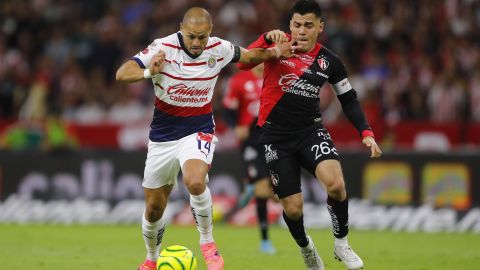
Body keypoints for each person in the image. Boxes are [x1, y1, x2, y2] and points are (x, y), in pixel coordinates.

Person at [115, 7, 295, 270]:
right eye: (192, 37)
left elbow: (249, 57)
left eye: (202, 37)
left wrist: (273, 47)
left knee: (195, 181)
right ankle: (151, 259)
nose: (197, 43)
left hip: (197, 128)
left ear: (209, 33)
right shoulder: (162, 46)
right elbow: (122, 73)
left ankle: (208, 244)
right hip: (163, 137)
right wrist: (147, 73)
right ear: (181, 29)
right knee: (154, 208)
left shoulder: (219, 48)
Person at [237, 1, 382, 270]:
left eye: (308, 25)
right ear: (290, 25)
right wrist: (267, 38)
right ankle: (306, 247)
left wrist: (366, 132)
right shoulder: (277, 48)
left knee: (336, 184)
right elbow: (243, 63)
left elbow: (348, 98)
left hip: (310, 132)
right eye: (296, 24)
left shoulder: (329, 61)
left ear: (320, 27)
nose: (301, 31)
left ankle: (342, 245)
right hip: (275, 138)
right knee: (293, 209)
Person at [222, 63, 276, 254]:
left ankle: (250, 184)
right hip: (251, 140)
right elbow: (227, 110)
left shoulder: (278, 77)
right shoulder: (239, 81)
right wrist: (235, 126)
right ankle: (265, 241)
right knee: (263, 190)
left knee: (276, 196)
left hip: (274, 138)